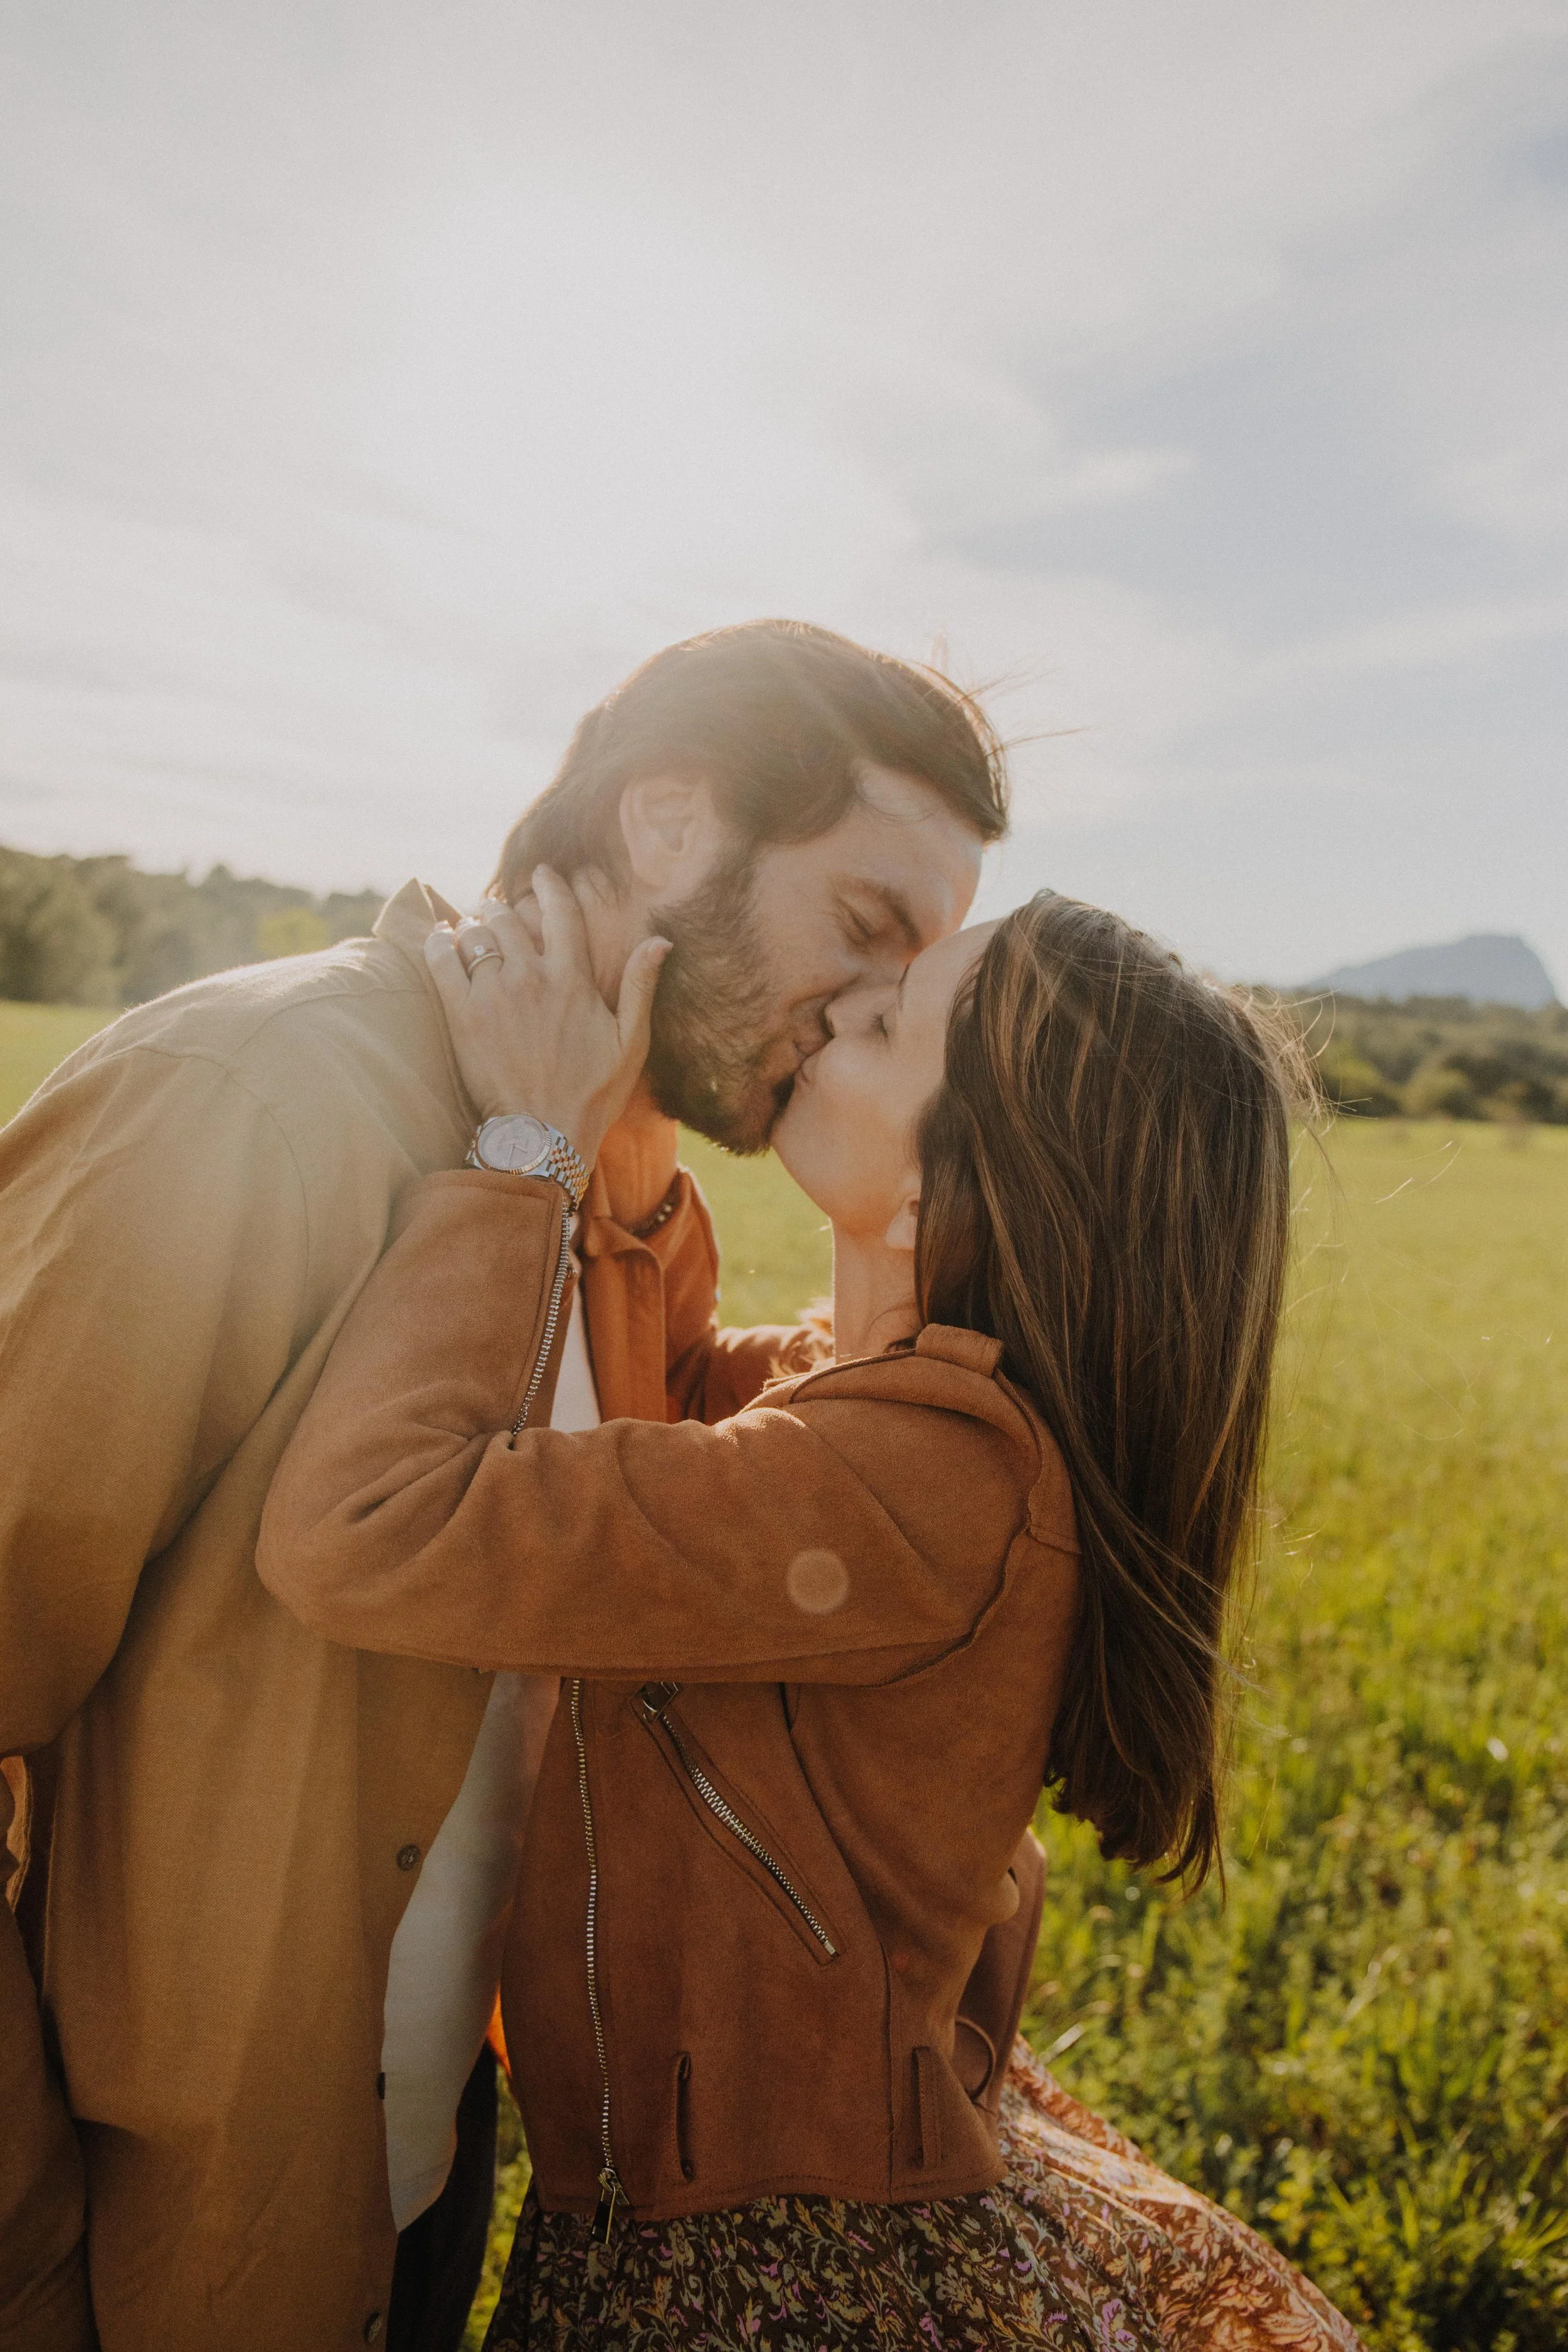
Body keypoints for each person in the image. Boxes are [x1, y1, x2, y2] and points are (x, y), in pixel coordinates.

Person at [0, 620, 1007, 2352]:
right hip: (125, 2226)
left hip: (399, 2176)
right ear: (669, 825)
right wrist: (24, 2243)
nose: (863, 1011)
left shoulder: (634, 1179)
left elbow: (678, 1496)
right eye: (861, 927)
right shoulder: (259, 1099)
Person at [257, 878, 1364, 2348]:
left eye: (885, 1020)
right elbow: (666, 1368)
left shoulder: (916, 1480)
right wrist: (633, 1111)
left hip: (754, 2262)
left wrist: (525, 1152)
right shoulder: (882, 1412)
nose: (830, 1012)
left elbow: (369, 1526)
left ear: (946, 1193)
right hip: (720, 2195)